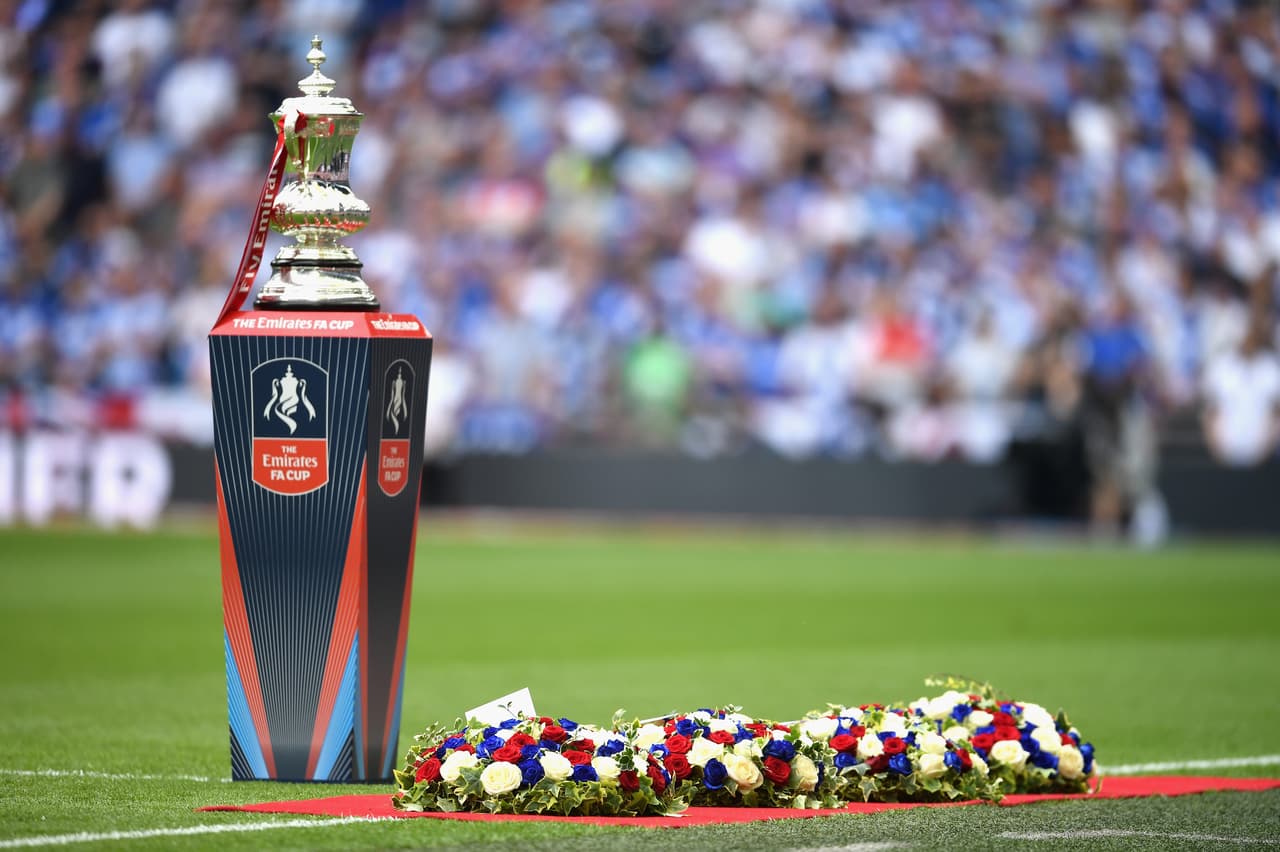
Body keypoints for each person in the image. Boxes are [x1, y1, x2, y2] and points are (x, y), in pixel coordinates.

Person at [1202, 321, 1280, 467]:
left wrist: (1266, 448)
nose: (1248, 339)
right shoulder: (1221, 366)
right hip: (1226, 454)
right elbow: (1210, 412)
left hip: (1262, 457)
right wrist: (1216, 448)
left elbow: (1276, 413)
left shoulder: (1271, 367)